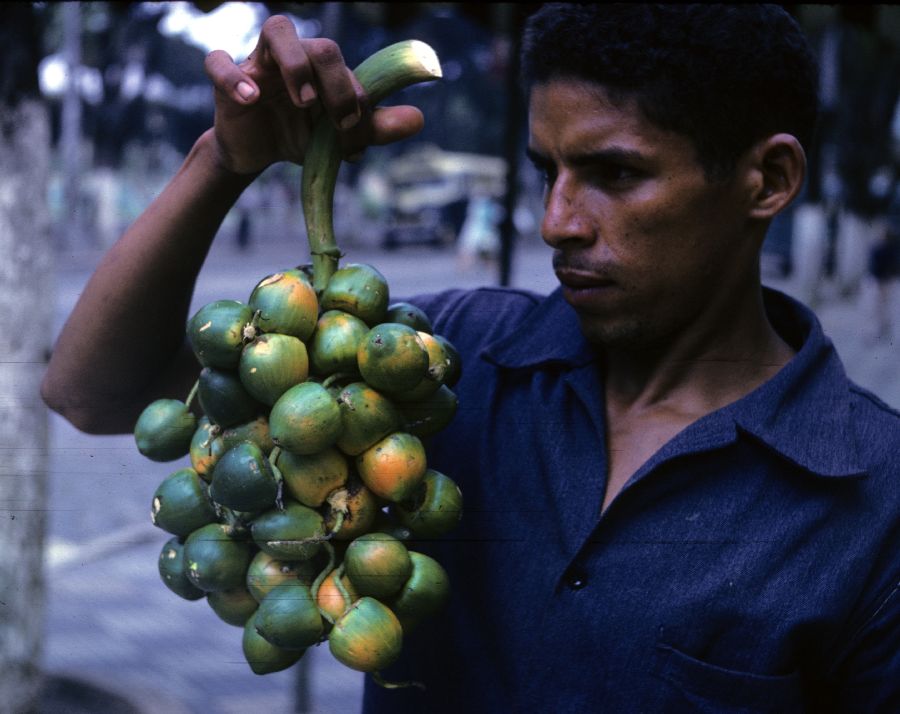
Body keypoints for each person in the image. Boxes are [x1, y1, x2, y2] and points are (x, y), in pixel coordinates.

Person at [41, 5, 900, 713]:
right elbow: (90, 395)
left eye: (613, 173)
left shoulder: (874, 501)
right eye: (546, 171)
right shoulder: (440, 362)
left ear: (769, 180)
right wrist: (223, 162)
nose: (558, 220)